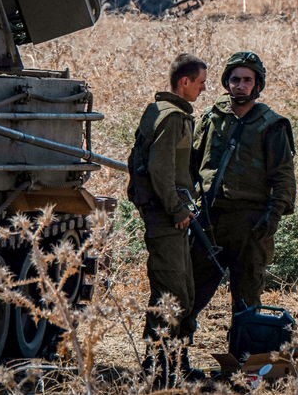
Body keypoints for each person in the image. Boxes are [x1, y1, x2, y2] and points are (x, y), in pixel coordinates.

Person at [188, 51, 296, 347]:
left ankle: (244, 365)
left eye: (247, 80)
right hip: (210, 219)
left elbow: (284, 176)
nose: (240, 85)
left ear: (257, 85)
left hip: (251, 222)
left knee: (247, 303)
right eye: (235, 79)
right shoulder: (211, 119)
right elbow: (190, 166)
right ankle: (174, 361)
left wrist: (272, 217)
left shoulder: (271, 124)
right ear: (226, 82)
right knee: (190, 295)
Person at [127, 52, 208, 382]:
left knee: (182, 289)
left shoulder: (160, 110)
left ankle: (174, 363)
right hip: (166, 216)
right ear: (184, 82)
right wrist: (176, 209)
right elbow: (160, 169)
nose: (203, 89)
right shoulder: (172, 117)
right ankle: (160, 367)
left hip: (168, 215)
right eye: (201, 83)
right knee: (172, 292)